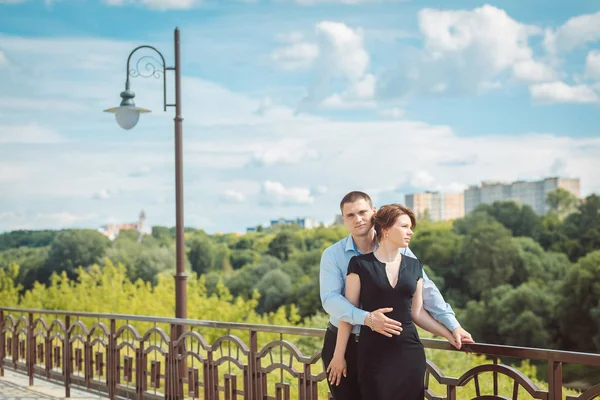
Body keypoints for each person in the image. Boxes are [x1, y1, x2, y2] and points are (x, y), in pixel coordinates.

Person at [320, 191, 473, 400]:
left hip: (394, 350)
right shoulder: (333, 255)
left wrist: (453, 326)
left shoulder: (401, 250)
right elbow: (331, 300)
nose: (358, 219)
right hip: (344, 343)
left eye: (363, 212)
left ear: (374, 213)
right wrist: (367, 319)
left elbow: (427, 292)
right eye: (350, 215)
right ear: (344, 220)